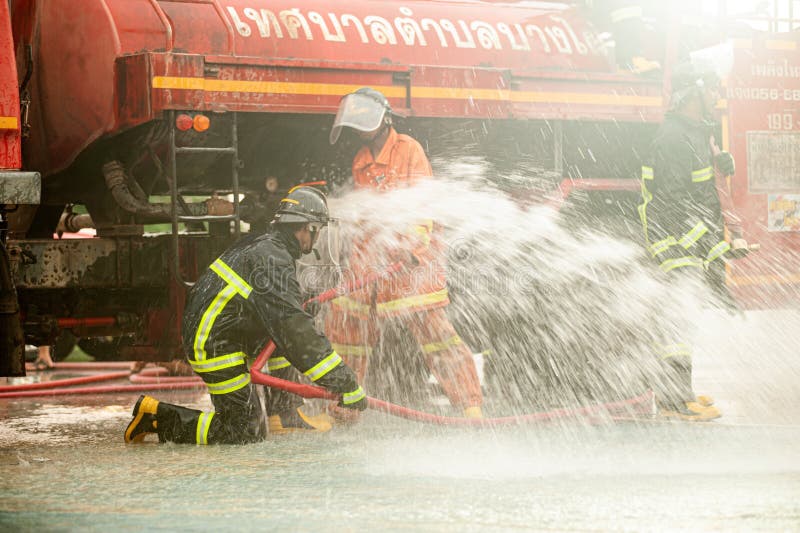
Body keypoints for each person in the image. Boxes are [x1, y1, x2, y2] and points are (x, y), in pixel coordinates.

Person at [124, 186, 367, 444]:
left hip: (229, 330)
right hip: (215, 343)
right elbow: (297, 334)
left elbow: (282, 312)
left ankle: (284, 414)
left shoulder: (269, 246)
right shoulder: (271, 258)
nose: (317, 239)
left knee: (283, 335)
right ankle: (155, 417)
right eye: (317, 231)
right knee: (243, 430)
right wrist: (345, 383)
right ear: (308, 228)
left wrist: (299, 304)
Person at [326, 87, 483, 420]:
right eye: (358, 126)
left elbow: (422, 203)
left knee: (434, 333)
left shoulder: (408, 149)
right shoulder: (361, 161)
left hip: (413, 261)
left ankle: (470, 405)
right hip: (373, 259)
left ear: (385, 119)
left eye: (366, 124)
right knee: (345, 325)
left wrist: (412, 247)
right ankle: (344, 408)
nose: (362, 131)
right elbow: (368, 216)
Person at [638, 63, 747, 421]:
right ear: (695, 93)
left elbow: (704, 197)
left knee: (682, 323)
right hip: (671, 241)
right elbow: (669, 201)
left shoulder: (698, 133)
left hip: (686, 241)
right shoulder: (673, 138)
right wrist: (696, 247)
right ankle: (673, 401)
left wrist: (715, 258)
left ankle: (678, 396)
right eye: (713, 89)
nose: (718, 96)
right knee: (675, 326)